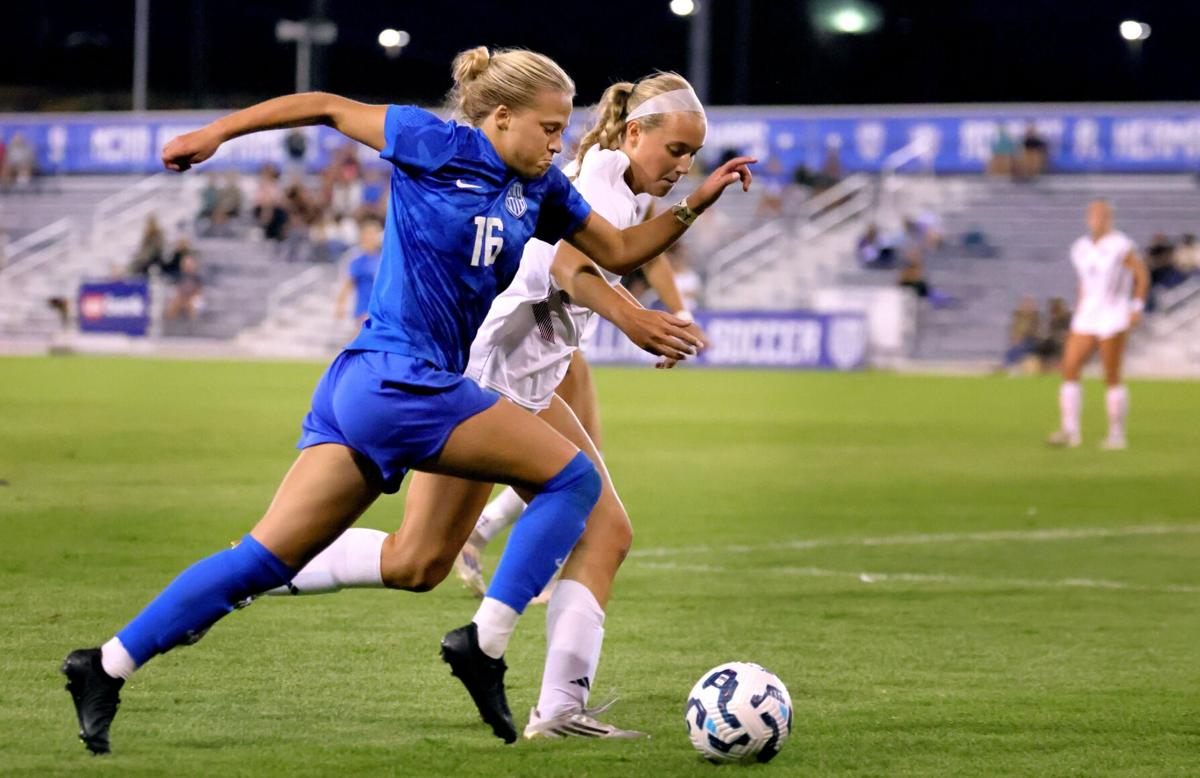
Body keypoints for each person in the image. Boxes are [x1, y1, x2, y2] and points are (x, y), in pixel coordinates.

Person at [60, 46, 753, 754]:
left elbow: (621, 247)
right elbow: (324, 106)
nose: (559, 140)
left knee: (284, 561)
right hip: (402, 380)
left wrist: (697, 201)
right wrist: (217, 133)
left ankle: (105, 664)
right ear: (502, 117)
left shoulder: (542, 190)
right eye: (547, 127)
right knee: (573, 477)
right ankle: (484, 645)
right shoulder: (435, 140)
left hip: (371, 388)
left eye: (561, 127)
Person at [266, 72, 717, 740]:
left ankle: (559, 709)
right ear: (633, 133)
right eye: (675, 151)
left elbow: (625, 256)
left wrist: (673, 273)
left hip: (525, 384)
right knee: (421, 559)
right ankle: (270, 565)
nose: (682, 167)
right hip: (486, 381)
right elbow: (564, 263)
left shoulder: (619, 187)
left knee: (450, 556)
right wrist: (632, 318)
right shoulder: (595, 182)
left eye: (692, 157)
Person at [1047, 200, 1148, 450]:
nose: (1098, 218)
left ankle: (1116, 434)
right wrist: (1079, 308)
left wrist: (1136, 307)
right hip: (1088, 314)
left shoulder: (1120, 245)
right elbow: (1084, 281)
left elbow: (1141, 273)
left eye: (1103, 214)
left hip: (1113, 312)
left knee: (1111, 374)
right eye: (1093, 214)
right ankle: (1070, 431)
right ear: (1088, 218)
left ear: (1110, 218)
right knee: (1069, 366)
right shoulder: (1080, 248)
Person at [334, 218, 383, 324]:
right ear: (363, 236)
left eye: (376, 234)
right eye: (371, 234)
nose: (374, 237)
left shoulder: (379, 257)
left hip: (378, 310)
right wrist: (340, 305)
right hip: (363, 310)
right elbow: (348, 282)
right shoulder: (357, 257)